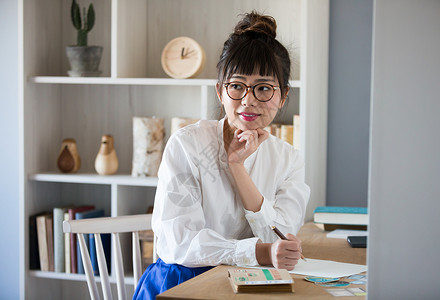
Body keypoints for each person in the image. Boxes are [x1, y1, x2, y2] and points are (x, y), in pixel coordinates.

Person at [133, 11, 310, 300]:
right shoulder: (187, 146)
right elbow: (180, 244)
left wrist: (237, 167)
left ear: (284, 96)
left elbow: (281, 241)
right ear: (220, 91)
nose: (248, 100)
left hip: (251, 285)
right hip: (182, 283)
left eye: (264, 88)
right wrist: (260, 252)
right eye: (237, 86)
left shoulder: (288, 159)